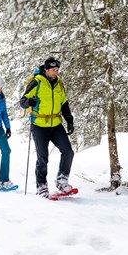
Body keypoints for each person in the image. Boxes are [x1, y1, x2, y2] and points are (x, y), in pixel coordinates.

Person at [19, 56, 75, 198]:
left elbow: (64, 103)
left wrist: (69, 120)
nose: (55, 72)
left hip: (56, 124)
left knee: (68, 151)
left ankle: (62, 180)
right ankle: (42, 186)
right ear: (46, 69)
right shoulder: (36, 82)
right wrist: (29, 102)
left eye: (57, 70)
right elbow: (23, 101)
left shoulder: (59, 83)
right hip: (39, 125)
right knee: (43, 157)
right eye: (53, 70)